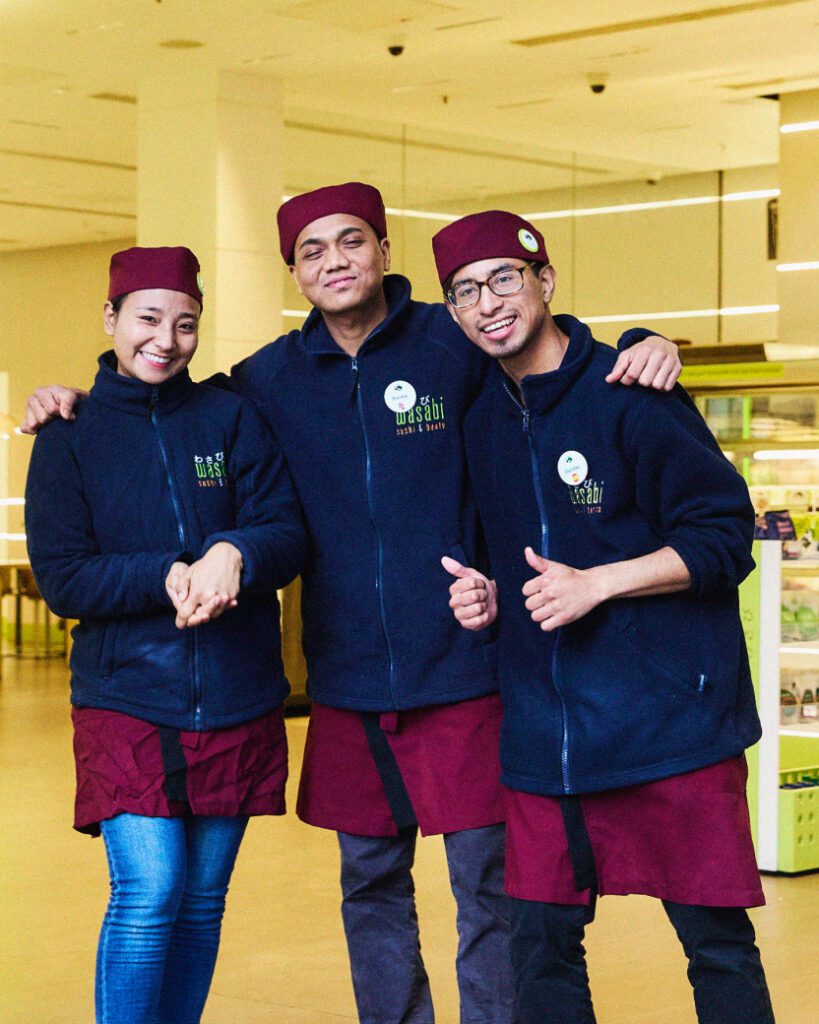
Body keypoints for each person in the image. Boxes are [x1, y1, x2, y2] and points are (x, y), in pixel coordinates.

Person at [22, 184, 682, 1024]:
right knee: (368, 887)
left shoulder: (455, 342)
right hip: (345, 679)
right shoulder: (266, 380)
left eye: (351, 242)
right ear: (291, 271)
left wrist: (642, 342)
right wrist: (67, 396)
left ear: (382, 250)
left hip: (464, 663)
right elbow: (165, 402)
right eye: (311, 250)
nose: (333, 261)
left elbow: (546, 350)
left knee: (487, 886)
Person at [434, 210, 775, 1024]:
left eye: (503, 280)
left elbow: (724, 539)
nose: (487, 304)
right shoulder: (478, 415)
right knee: (540, 949)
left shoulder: (631, 392)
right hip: (548, 732)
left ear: (545, 282)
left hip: (671, 722)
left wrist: (600, 584)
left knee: (714, 944)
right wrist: (479, 594)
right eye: (465, 292)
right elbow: (504, 549)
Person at [24, 246, 306, 1024]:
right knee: (150, 891)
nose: (166, 339)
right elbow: (65, 578)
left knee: (204, 899)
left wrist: (235, 551)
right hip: (126, 695)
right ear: (111, 319)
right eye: (148, 319)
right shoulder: (69, 436)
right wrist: (168, 574)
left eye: (186, 324)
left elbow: (286, 530)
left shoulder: (230, 416)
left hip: (238, 691)